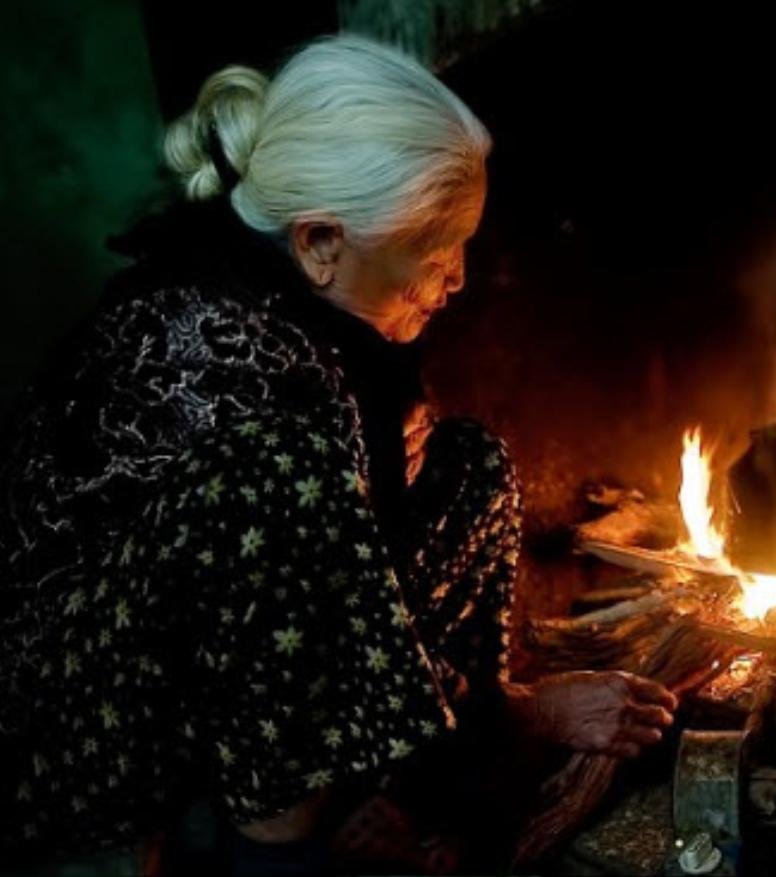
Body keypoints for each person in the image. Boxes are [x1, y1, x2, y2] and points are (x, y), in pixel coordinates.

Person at [0, 34, 676, 875]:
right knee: (284, 476)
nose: (459, 278)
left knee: (469, 463)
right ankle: (288, 831)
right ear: (321, 243)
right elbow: (308, 588)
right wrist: (388, 773)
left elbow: (351, 569)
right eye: (435, 256)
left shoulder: (310, 309)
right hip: (91, 722)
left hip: (252, 643)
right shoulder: (204, 347)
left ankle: (440, 749)